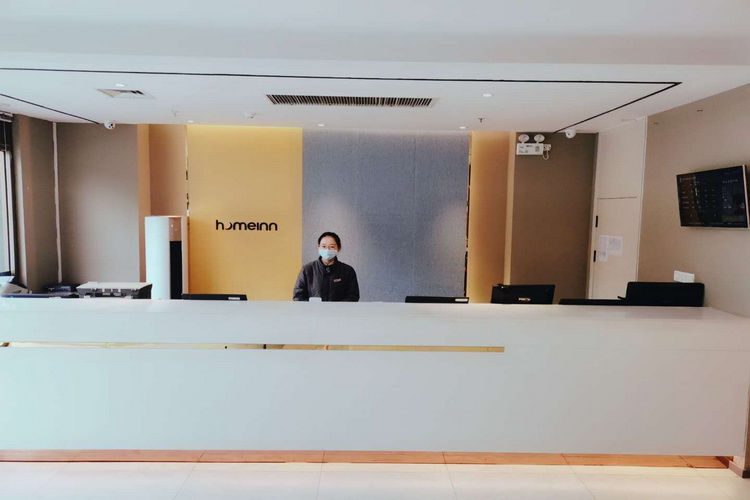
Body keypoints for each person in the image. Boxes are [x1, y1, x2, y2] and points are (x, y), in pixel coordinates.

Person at [293, 232, 359, 302]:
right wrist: (311, 307)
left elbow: (353, 296)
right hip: (314, 309)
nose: (327, 250)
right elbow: (298, 296)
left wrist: (337, 307)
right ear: (319, 247)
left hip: (340, 309)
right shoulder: (307, 270)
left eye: (332, 247)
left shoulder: (348, 271)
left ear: (339, 248)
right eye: (324, 246)